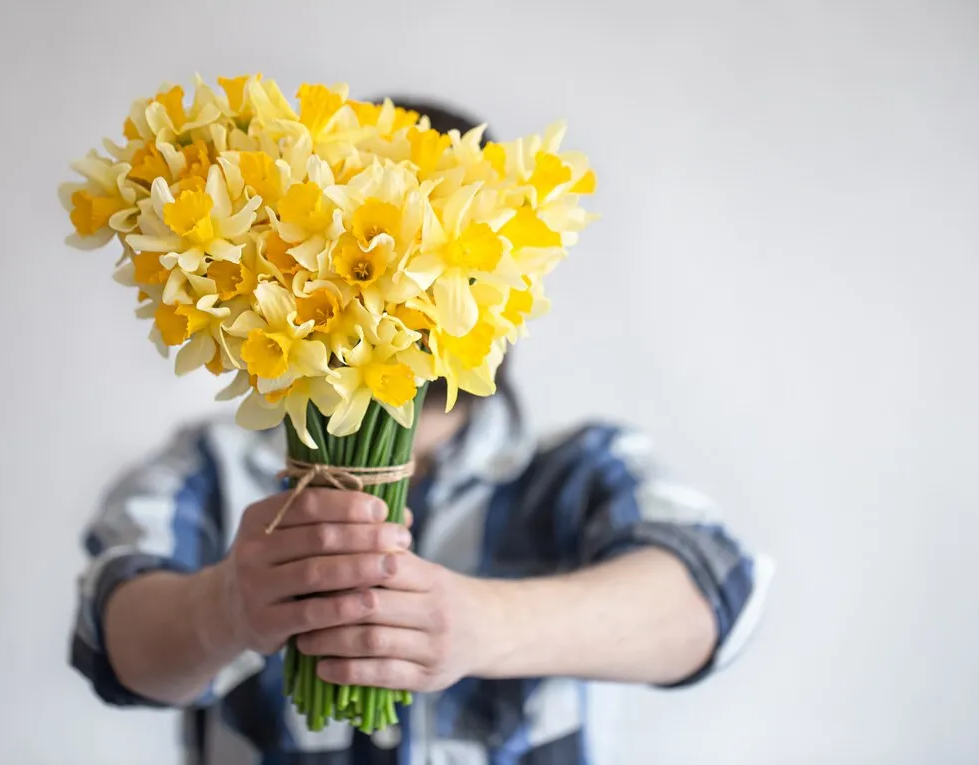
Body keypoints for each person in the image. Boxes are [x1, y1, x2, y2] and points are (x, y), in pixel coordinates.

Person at [69, 98, 774, 765]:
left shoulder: (581, 470)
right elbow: (113, 633)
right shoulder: (214, 465)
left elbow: (716, 591)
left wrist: (488, 624)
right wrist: (221, 608)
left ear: (506, 277)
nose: (406, 273)